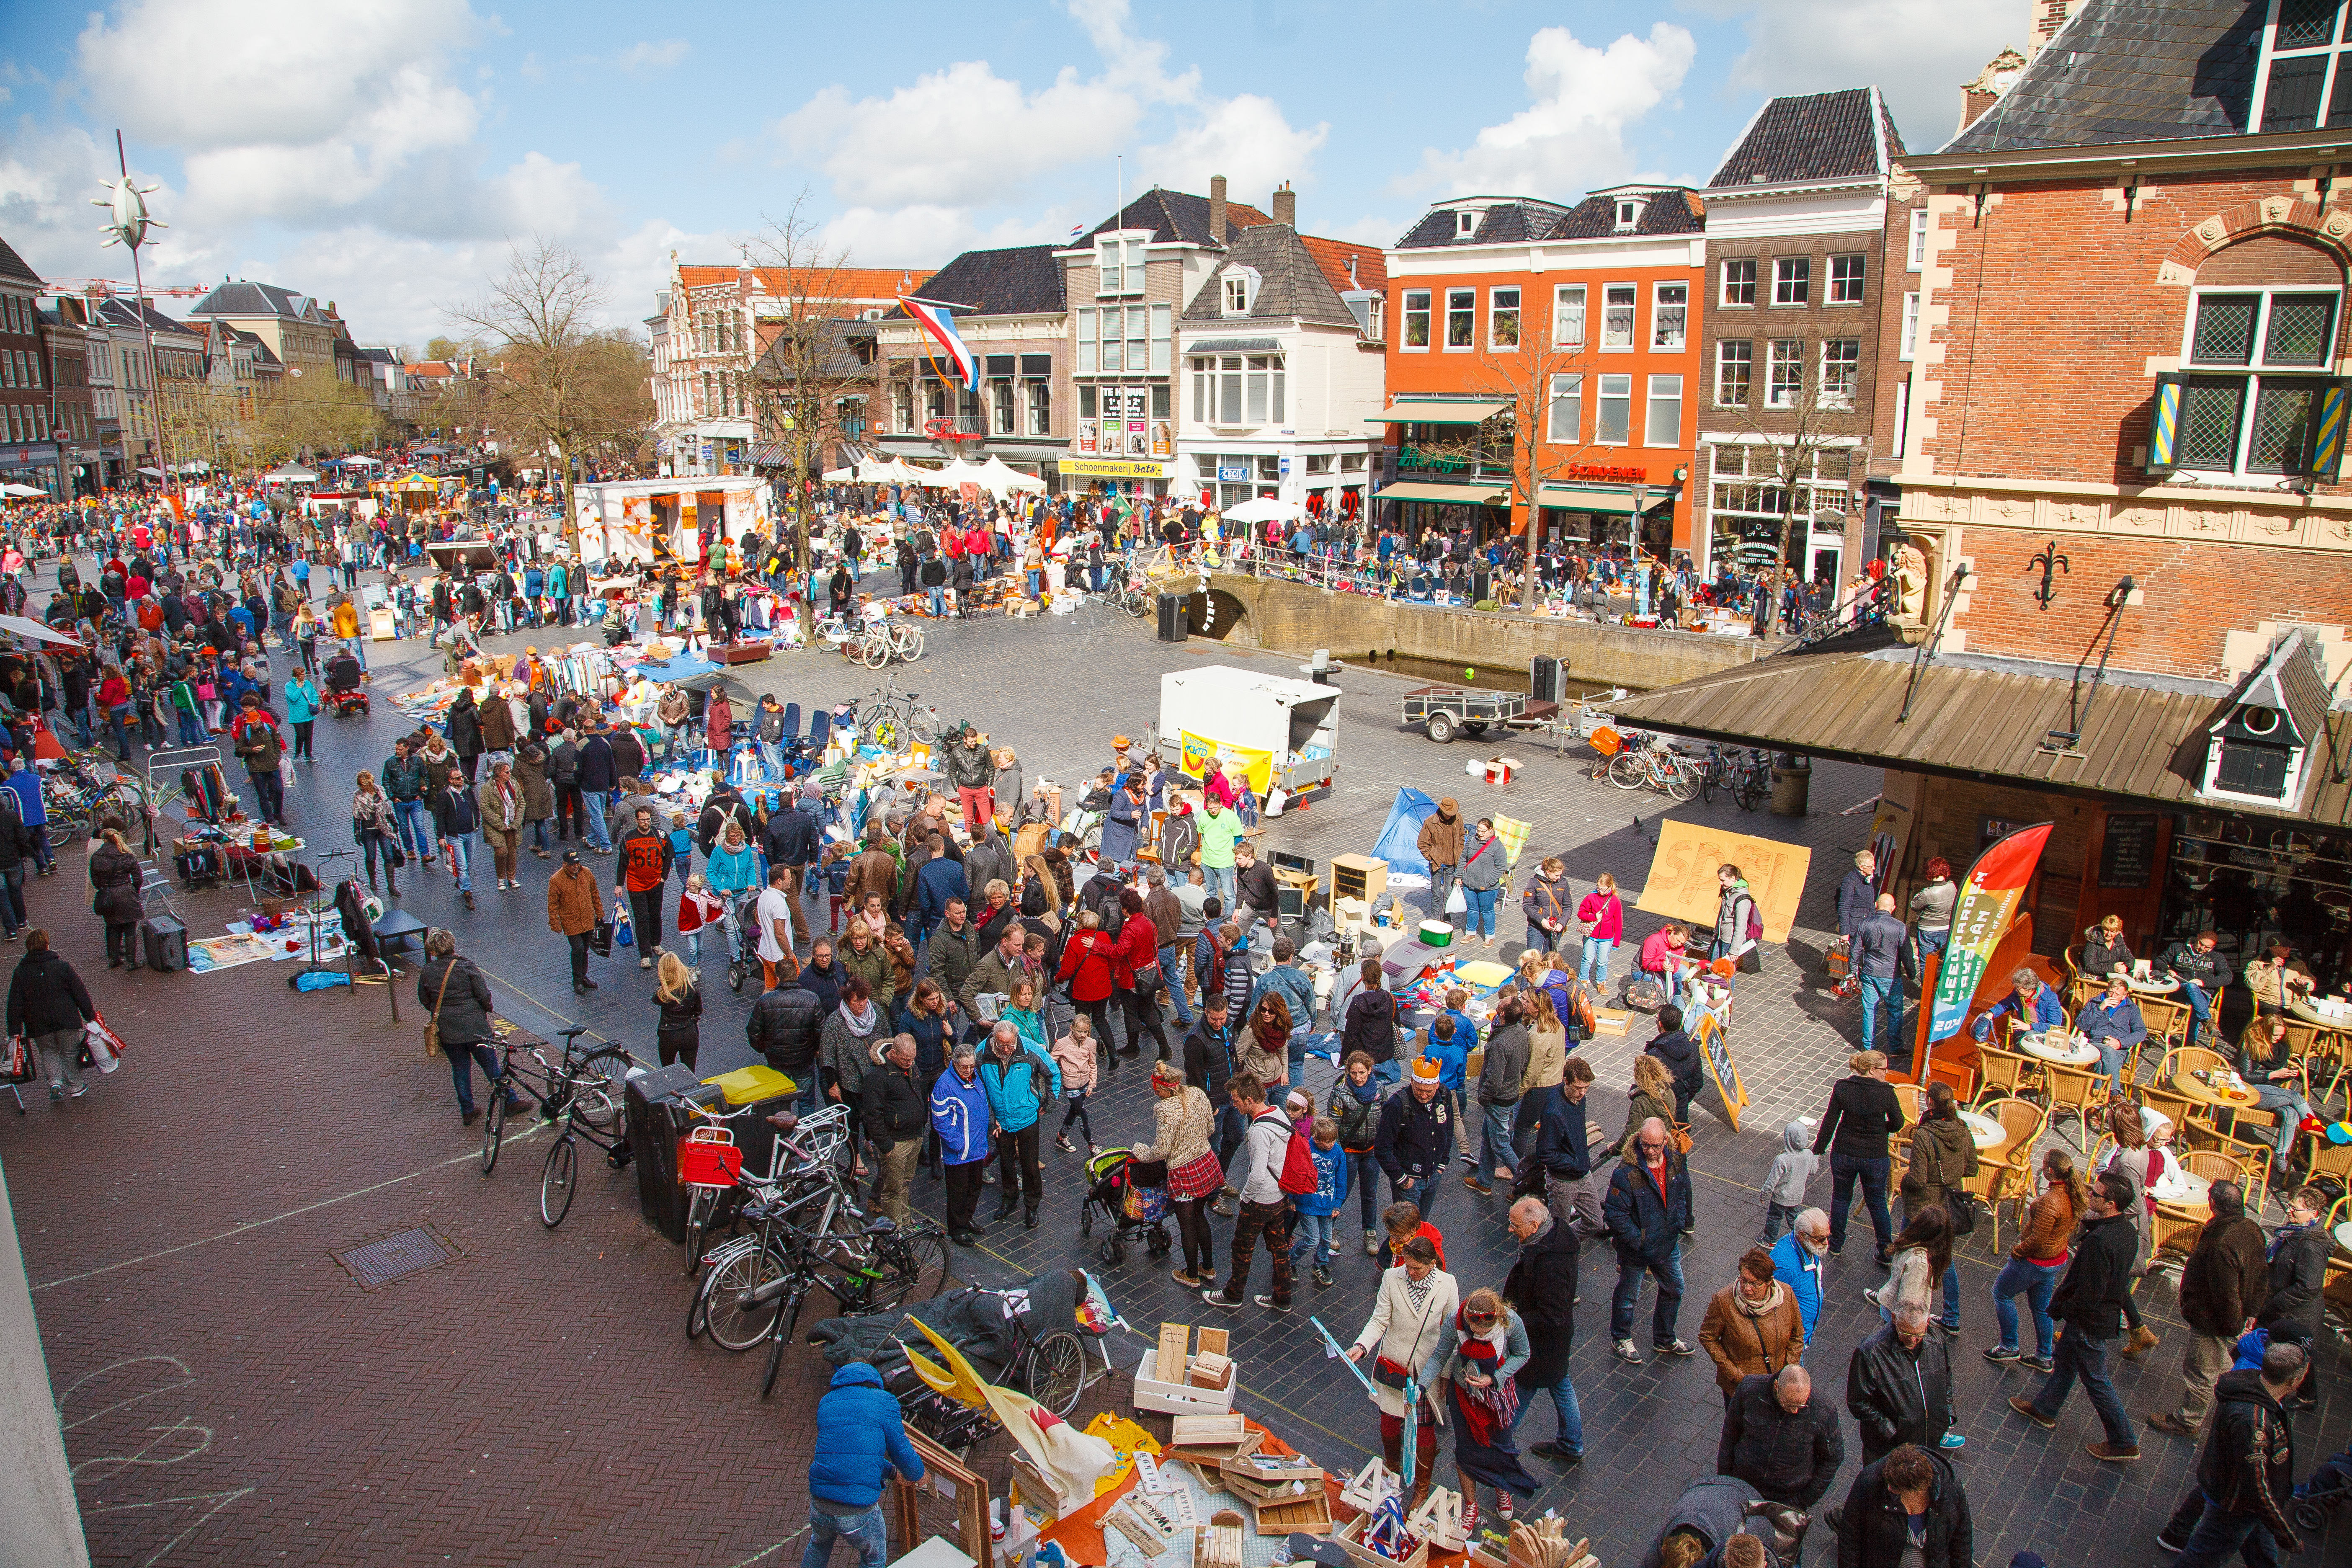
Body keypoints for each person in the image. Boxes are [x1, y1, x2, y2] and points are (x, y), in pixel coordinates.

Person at [2008, 1170, 2142, 1462]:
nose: (2090, 1195)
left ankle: (2123, 1440)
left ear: (2110, 1204)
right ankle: (2045, 1408)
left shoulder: (2100, 1241)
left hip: (2088, 1322)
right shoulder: (2127, 1232)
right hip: (2095, 1318)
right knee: (2066, 1363)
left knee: (2096, 1379)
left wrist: (2063, 1310)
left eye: (2096, 1193)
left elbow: (2090, 1291)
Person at [2153, 1340, 2309, 1564]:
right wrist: (2285, 1534)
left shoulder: (2250, 1387)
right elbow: (2256, 1485)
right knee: (2200, 1561)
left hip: (2252, 1506)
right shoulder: (2254, 1422)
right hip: (2237, 1507)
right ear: (2295, 1380)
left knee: (2262, 1557)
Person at [2149, 1179, 2270, 1438]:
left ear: (2212, 1204)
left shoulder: (2221, 1242)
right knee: (2222, 1362)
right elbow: (2262, 1276)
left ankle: (2188, 1421)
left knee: (2200, 1372)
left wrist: (2230, 1326)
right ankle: (2237, 1394)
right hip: (2232, 1316)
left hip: (2212, 1319)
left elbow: (2226, 1294)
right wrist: (2251, 1313)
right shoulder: (2252, 1229)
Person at [1344, 1234, 1459, 1506]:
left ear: (1432, 1264)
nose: (1410, 1272)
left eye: (1416, 1268)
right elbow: (1380, 1319)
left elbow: (1451, 1334)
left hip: (1427, 1372)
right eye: (1407, 1266)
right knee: (1389, 1420)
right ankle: (1392, 1468)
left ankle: (1421, 1487)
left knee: (1426, 1427)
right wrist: (1362, 1345)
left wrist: (1445, 1375)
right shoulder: (1391, 1278)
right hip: (1394, 1365)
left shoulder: (1448, 1285)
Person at [802, 1361, 925, 1568]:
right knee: (874, 1559)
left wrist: (893, 1473)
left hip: (820, 1503)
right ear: (875, 1383)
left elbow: (853, 1455)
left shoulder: (826, 1403)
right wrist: (918, 1475)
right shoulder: (884, 1401)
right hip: (857, 1510)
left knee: (819, 1546)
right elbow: (900, 1448)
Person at [1442, 1287, 1537, 1530]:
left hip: (1498, 1396)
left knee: (1501, 1445)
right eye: (1474, 1332)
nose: (1479, 1336)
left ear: (1497, 1319)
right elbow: (1439, 1356)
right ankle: (1470, 1505)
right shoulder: (1456, 1319)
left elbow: (1523, 1354)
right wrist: (1423, 1385)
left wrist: (1495, 1378)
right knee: (1465, 1450)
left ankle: (1502, 1489)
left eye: (1485, 1333)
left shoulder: (1511, 1321)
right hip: (1464, 1396)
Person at [1604, 1116, 1695, 1364]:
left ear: (1666, 1140)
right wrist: (1640, 1241)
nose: (1651, 1151)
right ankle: (1621, 1337)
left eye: (1656, 1146)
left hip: (1667, 1243)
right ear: (1639, 1141)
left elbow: (1682, 1194)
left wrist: (1677, 1224)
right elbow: (1615, 1215)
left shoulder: (1676, 1160)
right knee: (1628, 1295)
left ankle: (1664, 1338)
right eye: (1646, 1145)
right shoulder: (1626, 1173)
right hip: (1639, 1249)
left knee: (1675, 1288)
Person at [1202, 1074, 1295, 1313]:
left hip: (1260, 1200)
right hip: (1280, 1196)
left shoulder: (1258, 1131)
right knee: (1279, 1247)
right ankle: (1283, 1298)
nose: (1234, 1105)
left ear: (1250, 1100)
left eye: (1236, 1101)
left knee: (1242, 1247)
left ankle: (1234, 1294)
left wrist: (1245, 1198)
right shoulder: (1278, 1113)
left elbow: (1257, 1173)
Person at [1987, 1149, 2086, 1373]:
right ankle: (2044, 1356)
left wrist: (2018, 1251)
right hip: (2055, 1260)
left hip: (2034, 1261)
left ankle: (2009, 1346)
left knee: (2002, 1294)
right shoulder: (2071, 1194)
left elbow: (2038, 1239)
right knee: (2042, 1308)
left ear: (2050, 1170)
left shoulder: (2051, 1201)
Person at [1502, 1196, 1582, 1465]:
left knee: (1523, 1388)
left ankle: (1499, 1443)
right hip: (1556, 1340)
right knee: (1561, 1383)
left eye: (1515, 1225)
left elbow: (1552, 1313)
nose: (1510, 1230)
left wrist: (1514, 1318)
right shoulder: (1556, 1237)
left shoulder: (1549, 1264)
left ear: (1535, 1225)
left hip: (1542, 1342)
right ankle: (1572, 1444)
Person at [1719, 1364, 1843, 1536]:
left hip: (1788, 1499)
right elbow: (1729, 1436)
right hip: (1743, 1487)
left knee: (1785, 1558)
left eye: (1802, 1405)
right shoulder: (1750, 1390)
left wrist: (1803, 1500)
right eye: (1790, 1405)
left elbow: (1833, 1458)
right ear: (1776, 1387)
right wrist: (1726, 1482)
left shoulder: (1823, 1411)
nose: (1795, 1411)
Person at [415, 928, 520, 1125]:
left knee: (460, 1068)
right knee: (491, 1065)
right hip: (476, 1028)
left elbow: (424, 998)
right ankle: (511, 1102)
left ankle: (468, 1110)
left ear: (434, 951)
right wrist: (486, 1009)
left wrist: (440, 1011)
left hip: (448, 1030)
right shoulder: (467, 967)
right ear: (453, 946)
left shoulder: (427, 971)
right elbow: (483, 995)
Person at [1896, 1082, 1975, 1328]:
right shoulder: (1963, 1130)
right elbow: (1972, 1168)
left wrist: (1904, 1182)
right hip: (1947, 1206)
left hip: (1921, 1206)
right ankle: (1952, 1317)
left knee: (1902, 1250)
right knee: (1945, 1258)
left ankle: (1892, 1299)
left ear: (1929, 1103)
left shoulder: (1924, 1135)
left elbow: (1918, 1179)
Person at [1135, 1058, 1220, 1285]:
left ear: (1161, 1089)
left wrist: (1141, 1152)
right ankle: (1208, 1267)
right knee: (1200, 1216)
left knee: (1187, 1224)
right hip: (1206, 1163)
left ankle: (1191, 1274)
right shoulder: (1198, 1094)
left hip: (1184, 1172)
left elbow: (1161, 1151)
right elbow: (1211, 1128)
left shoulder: (1165, 1110)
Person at [1813, 1051, 1900, 1262]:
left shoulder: (1842, 1087)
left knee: (1841, 1198)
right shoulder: (1886, 1092)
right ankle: (1885, 1251)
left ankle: (1835, 1245)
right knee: (1877, 1202)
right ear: (1872, 1070)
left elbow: (1830, 1121)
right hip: (1874, 1156)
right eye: (1884, 1070)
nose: (1887, 1074)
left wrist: (1818, 1149)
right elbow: (1898, 1123)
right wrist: (1882, 1129)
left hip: (1844, 1152)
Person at [1847, 1301, 1955, 1465]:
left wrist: (1947, 1411)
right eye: (1906, 1333)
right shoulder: (1871, 1353)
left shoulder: (1938, 1341)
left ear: (1927, 1324)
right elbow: (1858, 1401)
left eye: (1919, 1335)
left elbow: (1946, 1377)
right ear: (1894, 1319)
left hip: (1929, 1441)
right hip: (1888, 1448)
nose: (1913, 1340)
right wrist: (1890, 1430)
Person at [1835, 1444, 1972, 1568]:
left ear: (1916, 1488)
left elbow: (1962, 1537)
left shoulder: (1950, 1489)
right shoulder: (1870, 1481)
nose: (1889, 1488)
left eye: (1895, 1487)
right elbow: (1850, 1534)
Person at [1700, 1246, 1808, 1403]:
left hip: (1777, 1385)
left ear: (1769, 1282)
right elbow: (1707, 1337)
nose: (1746, 1288)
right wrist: (1735, 1374)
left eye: (1754, 1284)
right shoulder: (1723, 1301)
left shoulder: (1787, 1295)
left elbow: (1797, 1335)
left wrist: (1787, 1371)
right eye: (1743, 1279)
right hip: (1742, 1387)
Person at [979, 1020, 1058, 1230]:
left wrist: (1047, 1104)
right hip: (1001, 1121)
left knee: (1030, 1164)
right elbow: (978, 1086)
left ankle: (1032, 1205)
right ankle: (1010, 1198)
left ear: (1016, 1039)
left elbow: (1053, 1073)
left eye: (1010, 1045)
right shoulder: (982, 1052)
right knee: (1005, 1162)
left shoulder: (1030, 1049)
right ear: (994, 1039)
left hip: (1027, 1117)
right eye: (1001, 1045)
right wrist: (989, 1115)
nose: (1006, 1050)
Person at [2254, 1184, 2330, 1396]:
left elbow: (2309, 1287)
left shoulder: (2311, 1246)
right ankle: (2307, 1396)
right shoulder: (2294, 1233)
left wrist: (2277, 1302)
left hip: (2297, 1313)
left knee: (2297, 1355)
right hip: (2287, 1308)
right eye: (2289, 1206)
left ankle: (2301, 1396)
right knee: (2302, 1354)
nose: (2289, 1211)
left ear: (2313, 1214)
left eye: (2295, 1209)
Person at [8, 928, 97, 1103]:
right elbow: (79, 992)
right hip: (66, 1019)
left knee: (48, 1052)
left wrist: (15, 1030)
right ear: (47, 945)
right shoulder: (62, 966)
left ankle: (55, 1084)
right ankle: (76, 1086)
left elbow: (15, 1003)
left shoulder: (20, 973)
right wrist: (89, 1015)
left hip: (38, 1024)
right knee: (70, 1052)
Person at [1375, 1058, 1457, 1221]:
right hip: (1408, 1181)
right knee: (1407, 1229)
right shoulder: (1397, 1105)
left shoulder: (1444, 1096)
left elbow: (1448, 1129)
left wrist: (1442, 1164)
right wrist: (1402, 1179)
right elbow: (1382, 1147)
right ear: (1412, 1081)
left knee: (1422, 1224)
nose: (1424, 1095)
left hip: (1433, 1176)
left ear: (1437, 1085)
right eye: (1420, 1090)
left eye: (1429, 1091)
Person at [928, 1043, 992, 1246]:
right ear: (954, 1064)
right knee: (958, 1193)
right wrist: (959, 1144)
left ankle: (967, 1219)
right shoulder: (944, 1085)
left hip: (977, 1148)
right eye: (964, 1067)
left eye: (972, 1066)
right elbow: (940, 1120)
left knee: (974, 1188)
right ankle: (957, 1229)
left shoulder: (975, 1077)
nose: (969, 1070)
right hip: (959, 1153)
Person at [862, 1034, 926, 1222]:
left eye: (913, 1059)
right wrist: (887, 1146)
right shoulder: (877, 1075)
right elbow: (871, 1115)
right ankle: (896, 1229)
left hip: (915, 1136)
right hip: (896, 1142)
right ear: (893, 1053)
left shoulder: (909, 1064)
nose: (910, 1063)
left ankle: (905, 1221)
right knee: (892, 1190)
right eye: (906, 1059)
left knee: (905, 1183)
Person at [1467, 996, 1528, 1195]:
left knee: (1501, 1144)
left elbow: (1494, 1079)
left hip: (1498, 1100)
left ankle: (1527, 1180)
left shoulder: (1501, 1043)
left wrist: (1484, 1097)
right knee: (1488, 1137)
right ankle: (1484, 1182)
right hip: (1509, 1094)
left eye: (1504, 1002)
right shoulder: (1520, 1031)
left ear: (1502, 1014)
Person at [2235, 1014, 2311, 1164]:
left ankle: (2280, 1155)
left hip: (2273, 1092)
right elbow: (2245, 1076)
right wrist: (2272, 1074)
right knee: (2295, 1096)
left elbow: (2278, 1078)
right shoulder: (2250, 1044)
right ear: (2265, 1031)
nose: (2278, 1038)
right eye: (2275, 1035)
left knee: (2292, 1114)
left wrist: (2288, 1075)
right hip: (2252, 1091)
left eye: (2281, 1035)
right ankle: (2313, 1135)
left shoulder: (2282, 1048)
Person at [1290, 1114, 1349, 1287]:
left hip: (1327, 1204)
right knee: (1312, 1239)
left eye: (1334, 1140)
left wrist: (1338, 1202)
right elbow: (1295, 1174)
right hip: (1307, 1203)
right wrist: (1292, 1198)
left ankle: (1320, 1264)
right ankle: (1290, 1260)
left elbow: (1341, 1178)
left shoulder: (1338, 1152)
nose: (1332, 1144)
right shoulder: (1305, 1149)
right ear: (1316, 1138)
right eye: (1328, 1142)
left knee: (1326, 1238)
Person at [1852, 894, 1910, 1059]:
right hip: (1891, 976)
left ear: (1876, 905)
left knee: (1869, 1010)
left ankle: (1869, 1047)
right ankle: (1895, 1047)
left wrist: (1853, 969)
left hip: (1870, 973)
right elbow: (1906, 953)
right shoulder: (1900, 927)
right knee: (1895, 1011)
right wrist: (1911, 973)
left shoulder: (1865, 923)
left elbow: (1856, 949)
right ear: (1893, 908)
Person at [618, 805, 673, 968]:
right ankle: (645, 954)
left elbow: (669, 855)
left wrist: (664, 877)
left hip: (656, 883)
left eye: (648, 819)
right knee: (642, 919)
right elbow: (622, 862)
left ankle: (656, 943)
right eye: (643, 820)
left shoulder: (660, 835)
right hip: (636, 885)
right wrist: (619, 884)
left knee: (656, 915)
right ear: (637, 820)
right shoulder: (629, 837)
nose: (646, 823)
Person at [2077, 973, 2150, 1095]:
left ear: (2125, 996)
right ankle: (2114, 1092)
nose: (2113, 996)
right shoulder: (2095, 1002)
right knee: (2108, 1052)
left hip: (2118, 1048)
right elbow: (2081, 1025)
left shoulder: (2131, 1008)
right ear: (2107, 990)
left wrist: (2121, 1043)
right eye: (2111, 992)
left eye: (2118, 995)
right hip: (2095, 1044)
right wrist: (2100, 1009)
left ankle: (2096, 1097)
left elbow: (2141, 1032)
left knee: (2101, 1063)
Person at [546, 848, 604, 995]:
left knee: (584, 950)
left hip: (587, 920)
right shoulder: (556, 880)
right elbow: (553, 904)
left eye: (578, 863)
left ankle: (583, 976)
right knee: (578, 949)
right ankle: (577, 980)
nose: (576, 867)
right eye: (572, 864)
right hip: (571, 922)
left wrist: (599, 912)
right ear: (565, 864)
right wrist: (555, 923)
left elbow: (595, 894)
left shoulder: (587, 873)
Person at [1770, 1208, 1830, 1345]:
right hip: (1791, 1343)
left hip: (1803, 1333)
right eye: (1821, 1239)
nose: (1826, 1243)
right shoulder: (1786, 1267)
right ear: (1802, 1235)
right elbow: (1775, 1307)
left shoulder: (1810, 1246)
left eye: (1828, 1237)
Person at [2162, 928, 2228, 1050]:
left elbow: (2227, 976)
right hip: (2180, 988)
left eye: (2208, 948)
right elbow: (2160, 960)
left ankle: (2191, 1040)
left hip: (2202, 992)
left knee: (2196, 1000)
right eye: (2201, 944)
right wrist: (2167, 970)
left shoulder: (2217, 957)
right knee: (2192, 989)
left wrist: (2203, 982)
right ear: (2197, 938)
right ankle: (2203, 1026)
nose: (2203, 949)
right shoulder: (2178, 948)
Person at [88, 826, 143, 967]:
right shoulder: (126, 856)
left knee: (113, 927)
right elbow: (138, 879)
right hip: (126, 894)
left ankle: (115, 959)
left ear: (104, 840)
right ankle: (131, 962)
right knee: (130, 928)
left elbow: (95, 881)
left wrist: (104, 889)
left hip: (109, 896)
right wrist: (133, 890)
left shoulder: (97, 857)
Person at [1757, 1121, 1819, 1245]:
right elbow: (1813, 1171)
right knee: (1795, 1220)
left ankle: (1770, 1241)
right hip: (1797, 1197)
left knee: (1774, 1218)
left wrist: (1764, 1194)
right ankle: (1802, 1240)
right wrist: (1816, 1158)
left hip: (1780, 1198)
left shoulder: (1782, 1160)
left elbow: (1772, 1180)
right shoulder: (1808, 1154)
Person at [429, 763, 480, 910]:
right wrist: (441, 836)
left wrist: (477, 822)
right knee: (462, 865)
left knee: (469, 862)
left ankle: (462, 882)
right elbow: (440, 817)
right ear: (450, 780)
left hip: (471, 832)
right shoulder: (444, 795)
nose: (461, 780)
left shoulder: (468, 790)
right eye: (457, 778)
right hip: (455, 835)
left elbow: (475, 807)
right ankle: (467, 892)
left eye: (462, 777)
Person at [1970, 967, 2066, 1044]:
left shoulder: (2050, 999)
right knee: (2026, 1038)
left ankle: (2021, 1065)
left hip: (2043, 1035)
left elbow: (2055, 1026)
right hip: (2024, 1032)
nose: (2016, 989)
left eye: (2019, 988)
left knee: (2028, 1038)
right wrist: (1992, 1013)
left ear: (2030, 989)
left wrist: (2030, 1027)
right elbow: (2005, 1004)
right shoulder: (2018, 994)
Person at [1049, 1013, 1099, 1154]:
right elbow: (1050, 1064)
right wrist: (1056, 1079)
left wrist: (1092, 1083)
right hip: (1070, 1084)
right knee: (1082, 1113)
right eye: (1079, 1031)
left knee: (1075, 1111)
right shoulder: (1062, 1044)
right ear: (1072, 1028)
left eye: (1086, 1032)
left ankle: (1061, 1136)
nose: (1083, 1035)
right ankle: (1092, 1145)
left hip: (1085, 1083)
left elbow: (1093, 1064)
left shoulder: (1091, 1043)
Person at [1646, 1004, 1704, 1126]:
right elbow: (1698, 1082)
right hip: (1680, 1116)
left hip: (1658, 1115)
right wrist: (1682, 1098)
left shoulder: (1653, 1055)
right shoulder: (1693, 1049)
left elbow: (1647, 1088)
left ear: (1660, 1024)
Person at [476, 758, 525, 893]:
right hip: (496, 826)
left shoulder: (513, 784)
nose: (510, 774)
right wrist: (500, 825)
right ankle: (500, 878)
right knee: (501, 851)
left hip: (512, 825)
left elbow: (521, 803)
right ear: (499, 774)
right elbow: (485, 809)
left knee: (512, 851)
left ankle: (512, 877)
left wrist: (516, 822)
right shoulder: (488, 788)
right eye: (508, 772)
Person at [1418, 797, 1464, 932]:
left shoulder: (1458, 819)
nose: (1450, 816)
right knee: (1436, 892)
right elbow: (1422, 843)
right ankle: (1434, 916)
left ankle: (1446, 917)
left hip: (1452, 864)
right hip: (1437, 864)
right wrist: (1431, 858)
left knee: (1449, 893)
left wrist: (1460, 855)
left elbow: (1461, 838)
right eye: (1448, 813)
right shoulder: (1431, 822)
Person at [1575, 872, 1622, 986]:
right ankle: (1583, 979)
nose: (1600, 891)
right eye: (1598, 888)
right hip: (1591, 935)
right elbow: (1581, 914)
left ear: (1610, 887)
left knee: (1603, 962)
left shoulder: (1615, 901)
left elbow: (1618, 922)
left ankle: (1601, 982)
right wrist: (1594, 917)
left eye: (1603, 889)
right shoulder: (1591, 897)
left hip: (1607, 938)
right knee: (1587, 959)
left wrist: (1616, 942)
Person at [1521, 857, 1573, 956]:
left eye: (1561, 875)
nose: (1559, 878)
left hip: (1556, 928)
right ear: (1548, 872)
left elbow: (1568, 906)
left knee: (1549, 959)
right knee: (1533, 959)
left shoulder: (1563, 883)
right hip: (1536, 928)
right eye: (1557, 875)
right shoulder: (1534, 883)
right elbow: (1527, 906)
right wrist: (1542, 920)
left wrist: (1562, 923)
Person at [1908, 858, 1957, 957]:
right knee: (1944, 962)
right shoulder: (1953, 887)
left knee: (1926, 964)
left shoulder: (1927, 893)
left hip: (1928, 931)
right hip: (1946, 928)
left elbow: (1914, 905)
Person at [2080, 913, 2133, 979]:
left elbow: (2131, 960)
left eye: (2113, 931)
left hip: (2110, 977)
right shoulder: (2093, 942)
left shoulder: (2119, 943)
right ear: (2102, 928)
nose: (2109, 934)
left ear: (2118, 932)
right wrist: (2112, 968)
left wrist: (2126, 967)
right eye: (2107, 930)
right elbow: (2089, 967)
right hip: (2094, 977)